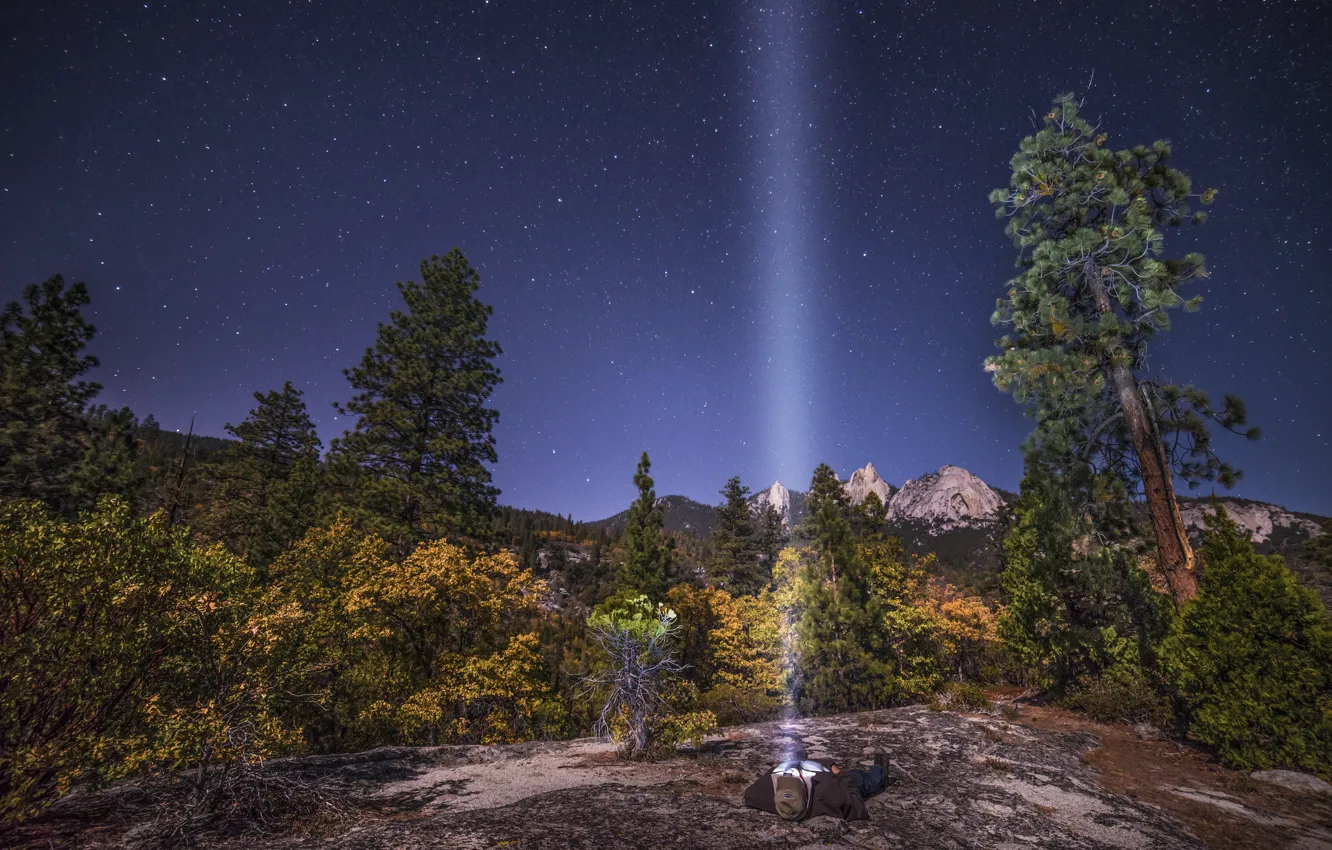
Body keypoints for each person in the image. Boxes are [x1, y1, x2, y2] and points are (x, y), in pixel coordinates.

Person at [742, 750, 894, 821]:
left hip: (800, 770)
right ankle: (880, 772)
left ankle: (799, 758)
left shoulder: (761, 793)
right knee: (860, 780)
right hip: (827, 776)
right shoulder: (829, 793)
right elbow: (852, 798)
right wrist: (834, 768)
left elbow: (748, 796)